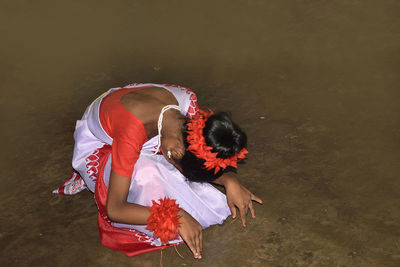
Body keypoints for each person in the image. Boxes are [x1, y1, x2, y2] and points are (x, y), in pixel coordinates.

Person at [54, 83, 262, 258]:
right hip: (100, 143)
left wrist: (229, 181)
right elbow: (115, 210)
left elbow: (200, 156)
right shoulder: (130, 133)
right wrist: (175, 215)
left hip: (130, 116)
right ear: (173, 152)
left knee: (164, 173)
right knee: (147, 174)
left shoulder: (190, 116)